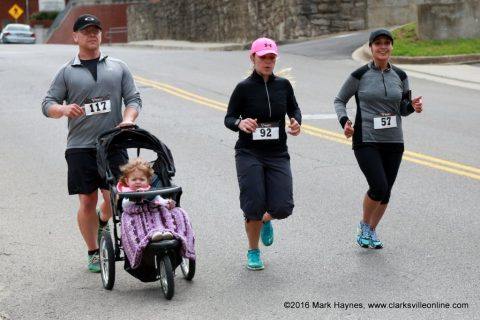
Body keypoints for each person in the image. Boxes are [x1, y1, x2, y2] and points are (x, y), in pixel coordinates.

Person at [41, 14, 142, 273]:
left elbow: (133, 99)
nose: (92, 35)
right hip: (79, 146)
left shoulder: (118, 66)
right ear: (75, 37)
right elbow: (47, 105)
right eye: (86, 31)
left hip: (113, 143)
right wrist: (62, 110)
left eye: (96, 30)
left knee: (115, 199)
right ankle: (94, 251)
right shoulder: (65, 72)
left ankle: (102, 222)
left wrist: (128, 120)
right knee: (87, 199)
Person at [334, 29, 423, 249]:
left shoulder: (401, 76)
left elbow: (402, 108)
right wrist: (345, 121)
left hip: (393, 140)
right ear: (371, 48)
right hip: (366, 138)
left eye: (387, 43)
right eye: (378, 44)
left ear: (392, 47)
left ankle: (372, 231)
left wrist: (412, 107)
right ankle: (364, 225)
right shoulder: (360, 75)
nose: (383, 47)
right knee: (378, 185)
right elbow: (339, 100)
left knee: (386, 191)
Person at [224, 37, 302, 270]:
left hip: (278, 153)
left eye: (271, 58)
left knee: (283, 207)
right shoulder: (243, 88)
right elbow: (228, 118)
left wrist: (296, 121)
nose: (268, 62)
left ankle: (265, 220)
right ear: (253, 58)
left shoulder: (283, 85)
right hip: (249, 153)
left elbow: (294, 108)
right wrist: (240, 123)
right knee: (253, 205)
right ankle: (253, 250)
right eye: (263, 57)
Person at [117, 158, 195, 269]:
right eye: (134, 179)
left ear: (148, 181)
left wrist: (167, 202)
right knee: (138, 224)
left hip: (152, 211)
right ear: (127, 181)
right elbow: (125, 205)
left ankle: (167, 232)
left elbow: (158, 200)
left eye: (141, 179)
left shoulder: (151, 190)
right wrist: (134, 197)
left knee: (169, 215)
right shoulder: (126, 192)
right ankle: (152, 235)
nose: (138, 182)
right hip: (135, 215)